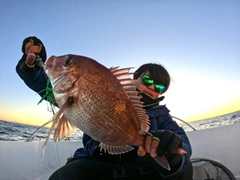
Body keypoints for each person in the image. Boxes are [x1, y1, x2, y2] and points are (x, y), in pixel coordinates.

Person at [16, 36, 193, 180]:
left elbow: (183, 144)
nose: (152, 88)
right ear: (135, 77)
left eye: (160, 88)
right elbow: (47, 88)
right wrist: (33, 69)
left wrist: (172, 152)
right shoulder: (101, 90)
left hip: (139, 166)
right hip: (95, 163)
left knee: (185, 171)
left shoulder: (162, 117)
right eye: (148, 80)